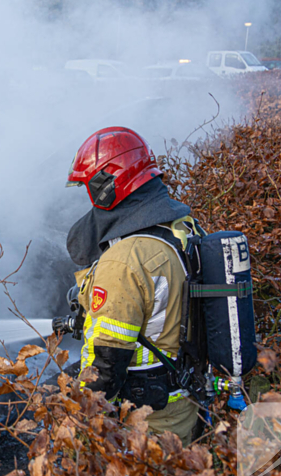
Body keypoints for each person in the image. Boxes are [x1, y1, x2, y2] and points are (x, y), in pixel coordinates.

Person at [64, 126, 201, 444]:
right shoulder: (179, 226)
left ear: (106, 186)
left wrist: (79, 425)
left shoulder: (125, 260)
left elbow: (106, 366)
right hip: (183, 403)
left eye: (89, 187)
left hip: (146, 424)